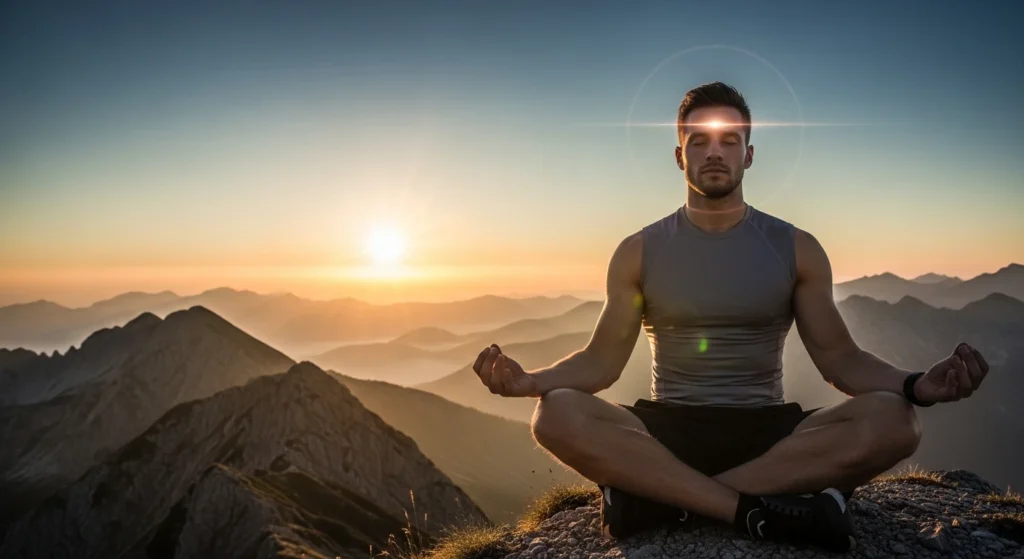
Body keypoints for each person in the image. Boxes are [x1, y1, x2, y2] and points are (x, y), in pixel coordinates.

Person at [471, 81, 990, 552]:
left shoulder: (796, 248)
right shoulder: (638, 252)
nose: (714, 151)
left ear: (749, 154)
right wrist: (529, 383)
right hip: (666, 429)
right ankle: (755, 508)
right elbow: (600, 363)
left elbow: (841, 361)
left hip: (769, 431)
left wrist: (918, 384)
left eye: (729, 140)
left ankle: (660, 499)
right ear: (679, 156)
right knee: (556, 413)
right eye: (699, 141)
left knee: (897, 419)